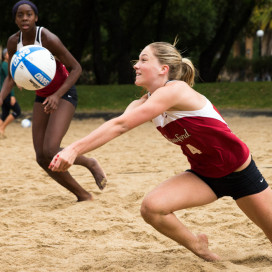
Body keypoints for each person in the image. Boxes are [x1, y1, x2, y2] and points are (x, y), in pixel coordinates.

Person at [49, 41, 272, 261]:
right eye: (138, 60)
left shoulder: (175, 90)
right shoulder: (144, 103)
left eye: (144, 60)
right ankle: (200, 248)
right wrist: (77, 152)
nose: (136, 65)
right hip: (205, 176)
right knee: (151, 208)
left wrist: (73, 149)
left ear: (163, 69)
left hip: (241, 173)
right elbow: (118, 124)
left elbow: (120, 126)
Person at [0, 0, 107, 201]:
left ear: (36, 17)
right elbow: (11, 77)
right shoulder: (13, 42)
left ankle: (90, 163)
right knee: (42, 157)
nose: (24, 18)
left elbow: (76, 68)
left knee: (50, 149)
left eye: (29, 14)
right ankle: (83, 195)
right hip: (42, 96)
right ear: (14, 19)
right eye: (20, 15)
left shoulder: (47, 38)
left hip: (64, 93)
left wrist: (57, 95)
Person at [0, 48, 21, 138]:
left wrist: (18, 83)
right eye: (9, 54)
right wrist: (12, 96)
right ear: (5, 55)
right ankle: (2, 128)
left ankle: (1, 130)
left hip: (2, 93)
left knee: (5, 113)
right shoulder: (5, 65)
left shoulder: (4, 65)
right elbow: (9, 82)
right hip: (6, 94)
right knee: (17, 111)